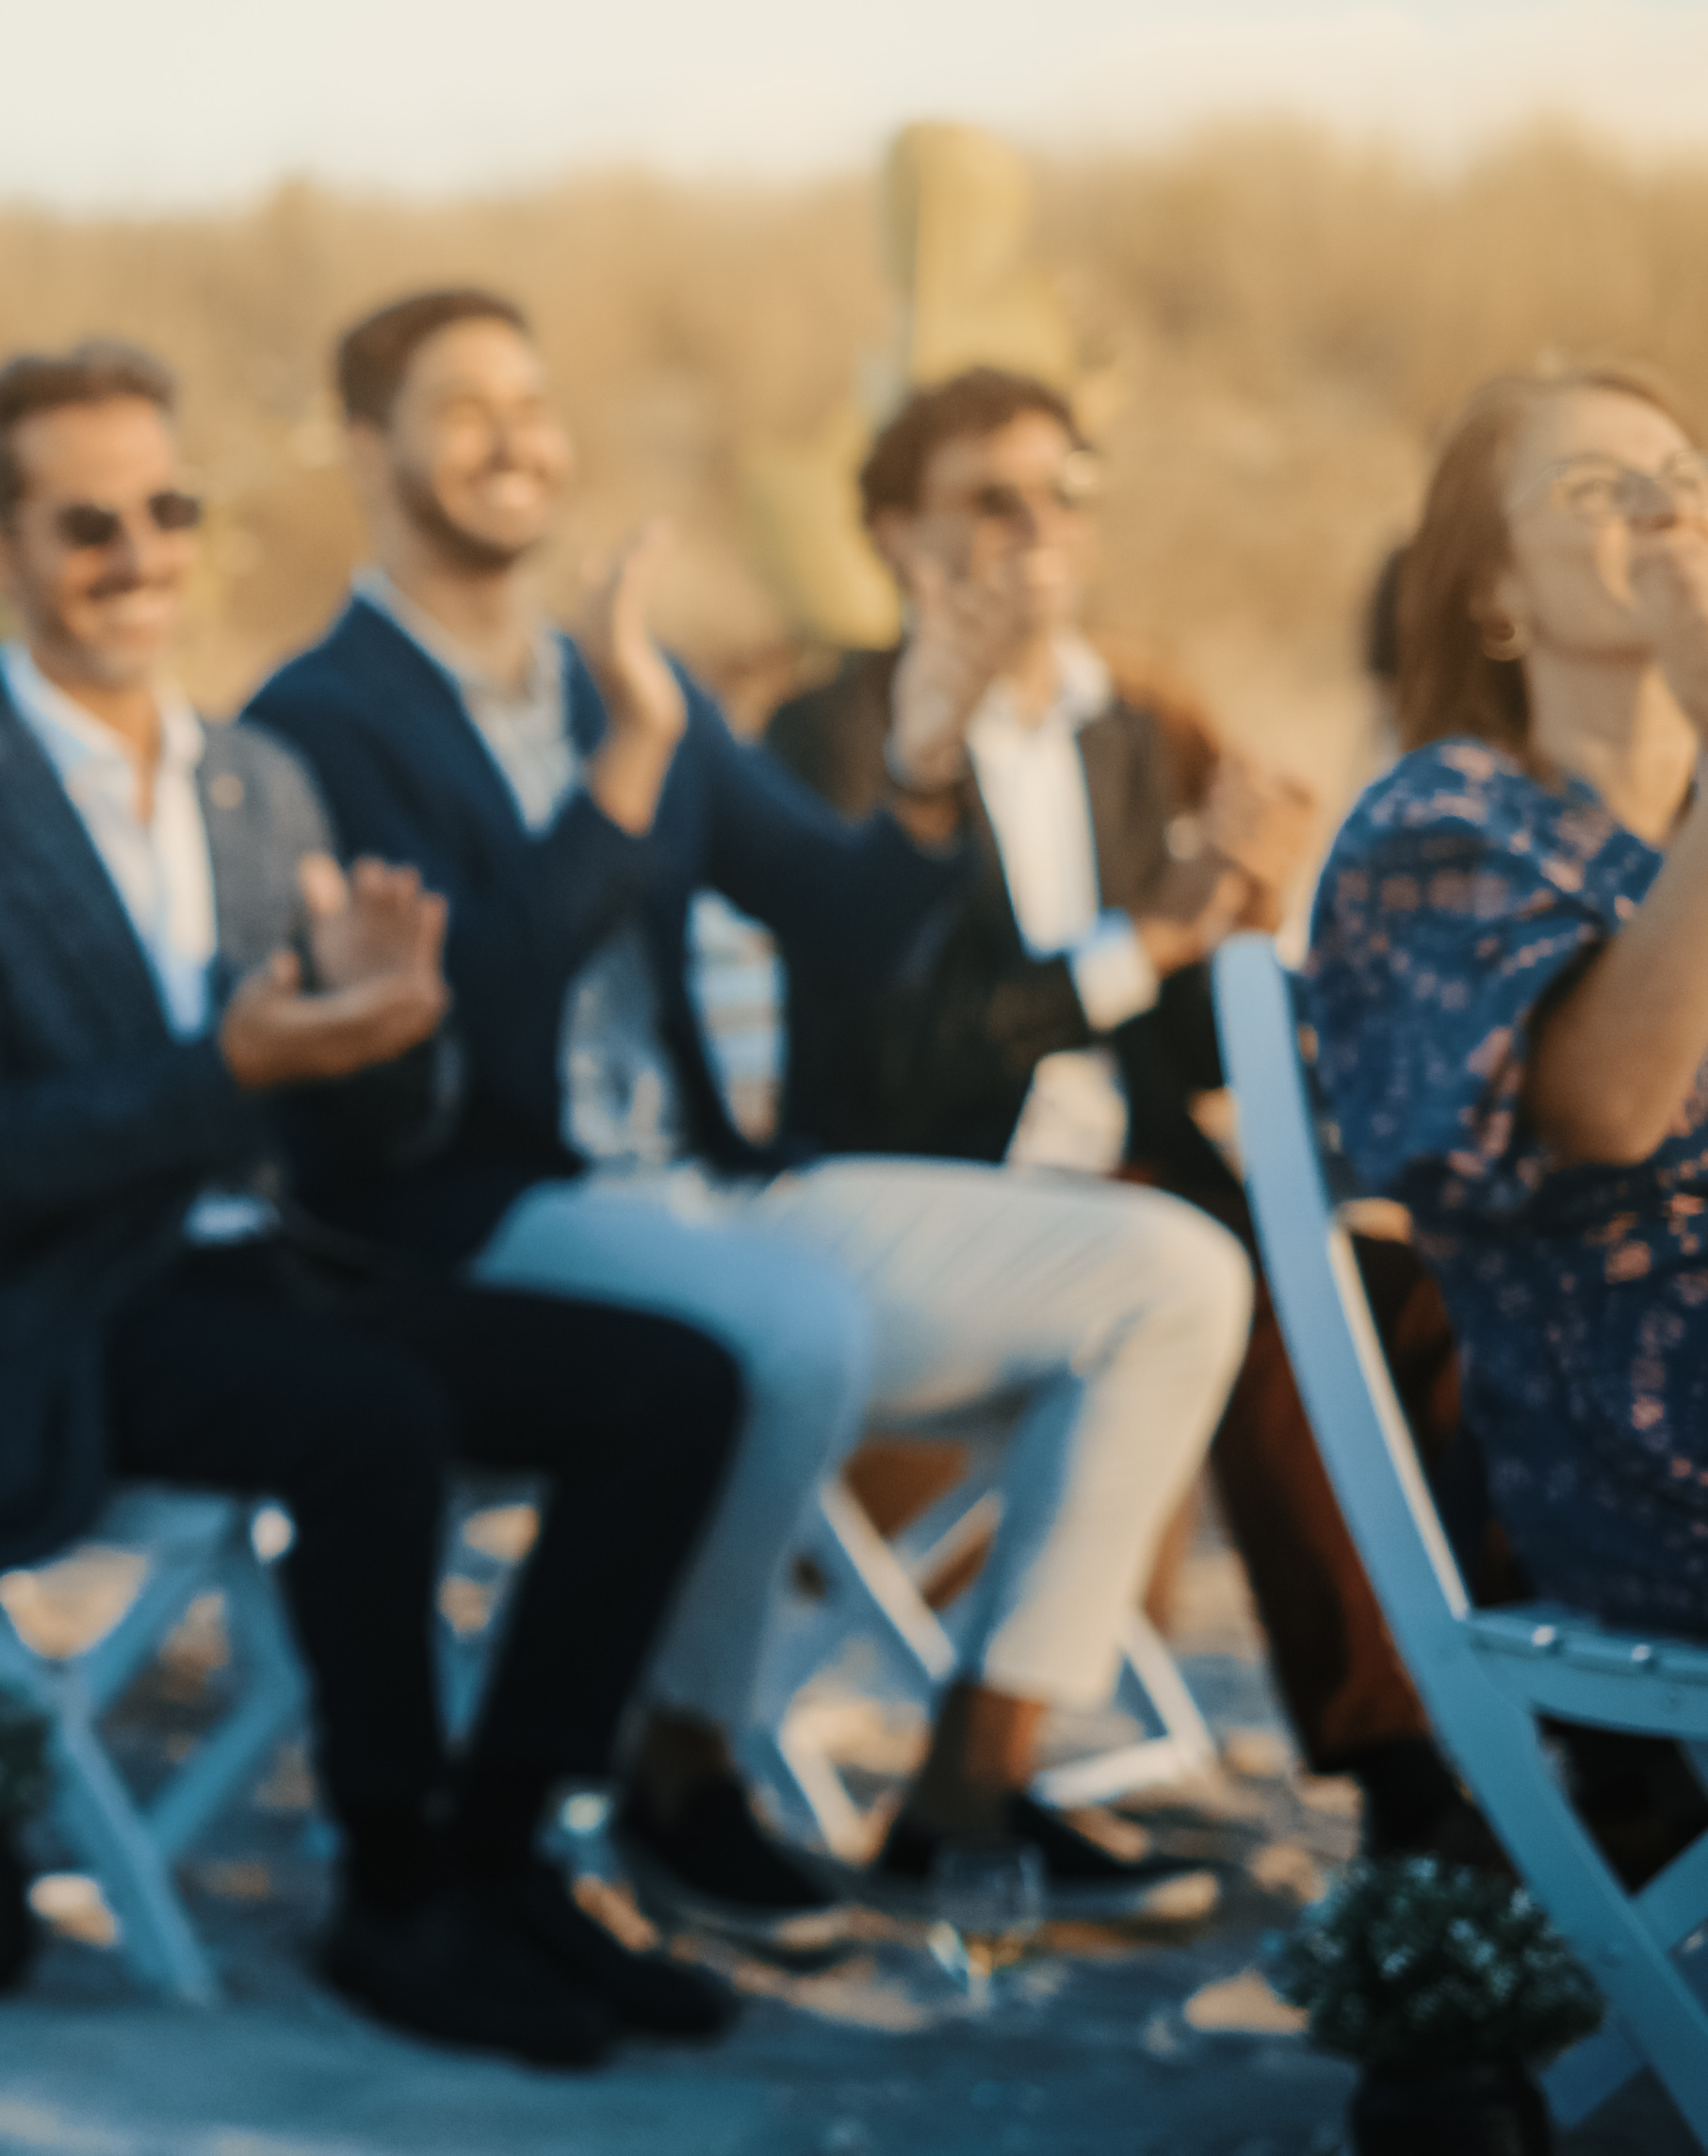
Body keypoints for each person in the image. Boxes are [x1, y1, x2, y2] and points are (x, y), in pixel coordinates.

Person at [245, 287, 1252, 1925]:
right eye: (466, 408)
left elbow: (844, 922)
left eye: (535, 400)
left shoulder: (613, 685)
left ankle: (973, 1774)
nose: (519, 439)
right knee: (785, 1326)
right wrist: (629, 771)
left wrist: (920, 759)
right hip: (478, 1221)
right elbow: (461, 1026)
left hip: (713, 1187)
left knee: (1171, 1275)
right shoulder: (317, 720)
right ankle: (680, 1768)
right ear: (366, 451)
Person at [0, 343, 745, 2066]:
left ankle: (500, 1848)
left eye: (167, 511)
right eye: (87, 524)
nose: (139, 555)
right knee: (370, 1419)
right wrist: (231, 1065)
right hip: (54, 1319)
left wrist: (393, 1033)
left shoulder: (260, 780)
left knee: (677, 1387)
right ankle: (387, 1892)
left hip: (276, 1267)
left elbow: (366, 1123)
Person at [765, 370, 1481, 1856]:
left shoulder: (1131, 725)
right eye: (993, 500)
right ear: (900, 536)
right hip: (933, 1187)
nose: (1042, 529)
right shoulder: (834, 734)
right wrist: (1141, 942)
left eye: (1065, 492)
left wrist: (1238, 918)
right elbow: (893, 1057)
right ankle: (1401, 1779)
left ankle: (1553, 1732)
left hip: (1132, 1162)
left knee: (1420, 1295)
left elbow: (1178, 1042)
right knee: (1283, 1308)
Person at [1309, 372, 1708, 1644]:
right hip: (1651, 1454)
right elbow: (1608, 1109)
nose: (1660, 512)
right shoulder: (1442, 828)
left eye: (1686, 480)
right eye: (1599, 488)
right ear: (1496, 592)